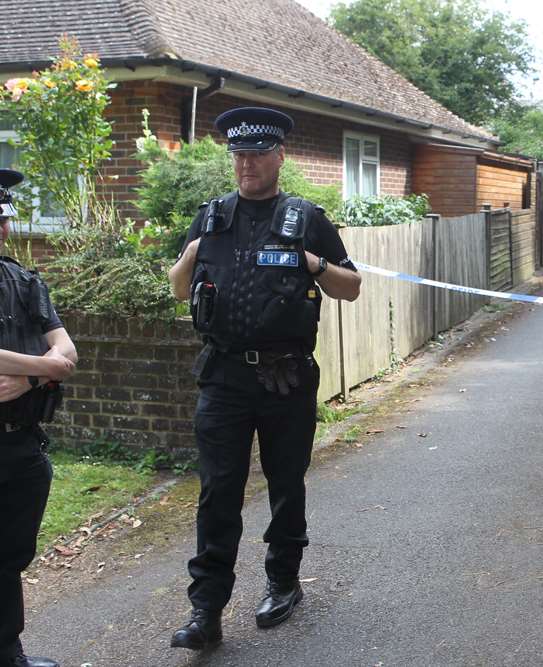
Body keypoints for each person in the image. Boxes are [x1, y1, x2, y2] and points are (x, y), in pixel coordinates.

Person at [167, 107, 362, 650]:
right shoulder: (211, 217)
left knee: (285, 483)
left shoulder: (306, 217)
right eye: (238, 154)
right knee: (218, 492)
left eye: (256, 154)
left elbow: (351, 287)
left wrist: (314, 266)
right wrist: (188, 257)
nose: (246, 164)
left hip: (287, 378)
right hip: (224, 378)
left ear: (279, 156)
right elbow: (180, 289)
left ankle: (283, 580)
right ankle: (206, 610)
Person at [0, 169, 77, 667]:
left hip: (22, 443)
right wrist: (44, 367)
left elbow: (67, 349)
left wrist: (30, 378)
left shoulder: (24, 280)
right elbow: (56, 362)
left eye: (1, 218)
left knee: (9, 558)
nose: (1, 228)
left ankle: (10, 652)